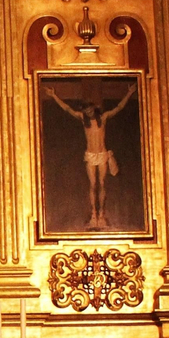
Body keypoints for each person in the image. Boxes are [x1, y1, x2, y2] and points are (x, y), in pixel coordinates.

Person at [44, 83, 134, 230]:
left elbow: (118, 108)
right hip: (91, 155)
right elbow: (67, 109)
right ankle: (94, 215)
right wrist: (54, 95)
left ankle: (101, 215)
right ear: (85, 111)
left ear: (94, 109)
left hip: (102, 154)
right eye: (87, 110)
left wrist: (129, 93)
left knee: (102, 184)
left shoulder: (103, 118)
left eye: (90, 109)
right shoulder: (82, 118)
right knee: (92, 185)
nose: (89, 112)